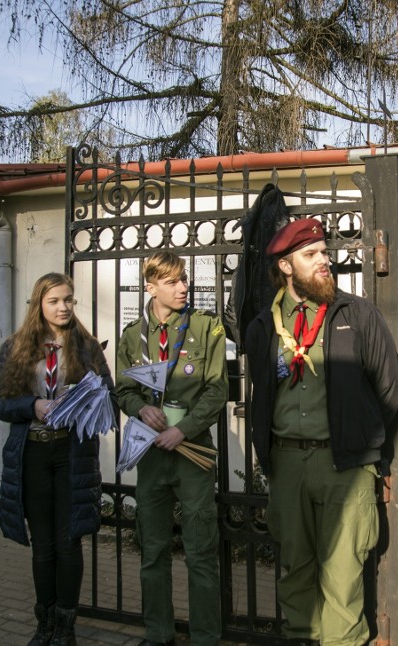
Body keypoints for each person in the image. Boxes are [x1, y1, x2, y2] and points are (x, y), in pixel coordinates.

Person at [245, 218, 398, 646]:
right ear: (286, 266)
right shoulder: (263, 327)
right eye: (311, 255)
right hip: (288, 464)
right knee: (294, 569)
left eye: (324, 253)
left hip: (345, 467)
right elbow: (260, 394)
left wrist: (376, 460)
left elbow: (390, 393)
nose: (324, 261)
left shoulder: (358, 315)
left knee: (343, 573)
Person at [0, 272, 116, 646]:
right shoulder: (16, 347)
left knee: (69, 542)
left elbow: (108, 394)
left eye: (68, 300)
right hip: (31, 453)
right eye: (54, 301)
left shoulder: (88, 347)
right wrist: (34, 405)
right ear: (38, 305)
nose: (63, 307)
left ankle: (66, 629)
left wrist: (87, 401)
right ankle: (44, 625)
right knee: (43, 545)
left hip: (71, 453)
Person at [116, 251, 228, 646]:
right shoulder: (132, 335)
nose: (184, 288)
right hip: (151, 457)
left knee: (200, 552)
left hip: (192, 454)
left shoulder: (206, 327)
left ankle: (205, 638)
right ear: (151, 286)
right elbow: (124, 388)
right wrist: (141, 408)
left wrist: (185, 431)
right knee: (153, 551)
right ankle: (159, 633)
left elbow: (218, 389)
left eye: (184, 279)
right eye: (173, 281)